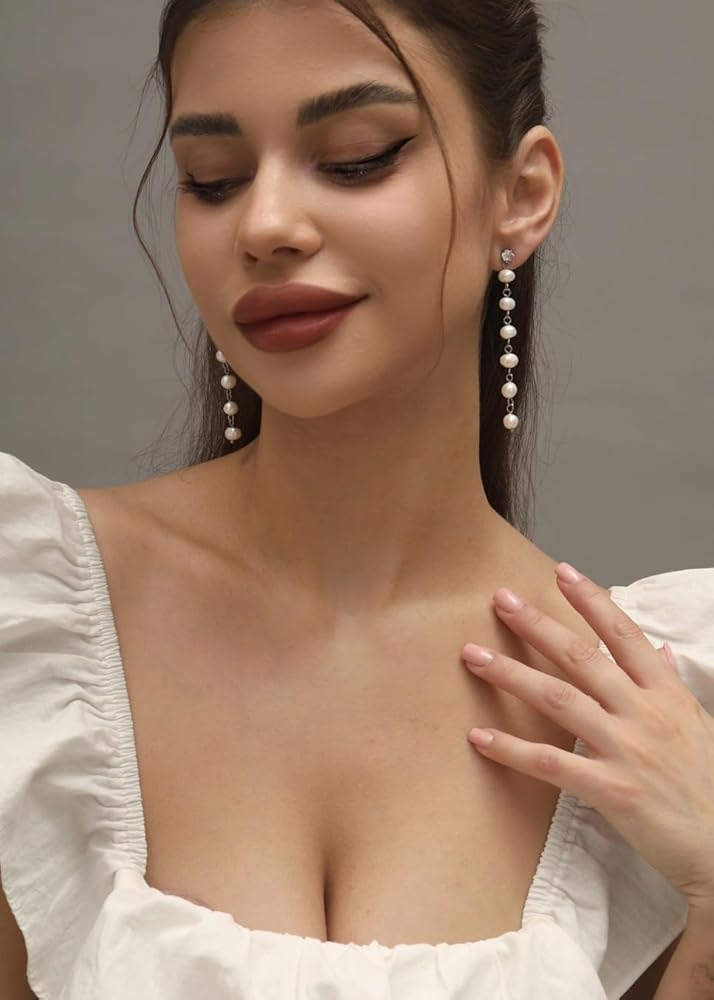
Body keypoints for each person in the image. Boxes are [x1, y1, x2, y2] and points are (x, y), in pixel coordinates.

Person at [1, 2, 712, 998]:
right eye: (213, 178)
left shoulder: (653, 715)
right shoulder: (30, 627)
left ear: (522, 195)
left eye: (355, 159)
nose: (264, 225)